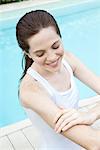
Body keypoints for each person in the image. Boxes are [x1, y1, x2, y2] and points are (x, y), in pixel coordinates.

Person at [16, 10, 100, 150]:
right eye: (40, 54)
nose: (52, 57)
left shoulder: (68, 60)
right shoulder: (31, 90)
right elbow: (94, 142)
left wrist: (91, 114)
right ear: (28, 54)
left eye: (56, 46)